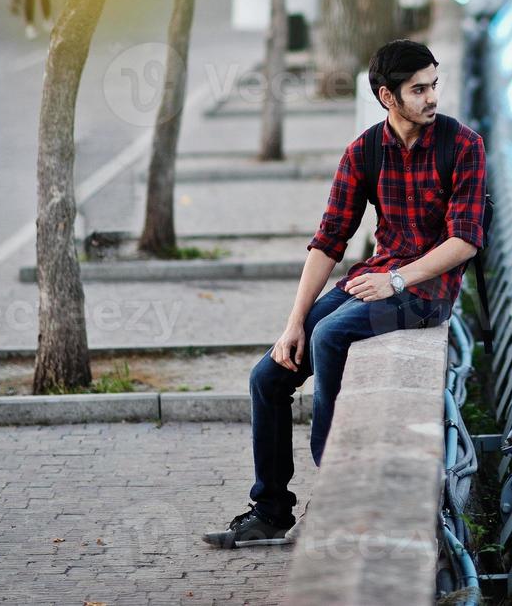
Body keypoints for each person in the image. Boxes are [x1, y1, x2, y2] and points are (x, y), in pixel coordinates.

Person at [203, 40, 488, 549]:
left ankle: (335, 482)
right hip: (374, 278)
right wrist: (293, 321)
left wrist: (398, 281)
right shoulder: (364, 151)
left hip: (426, 292)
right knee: (268, 376)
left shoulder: (462, 145)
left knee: (332, 335)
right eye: (418, 89)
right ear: (387, 97)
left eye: (433, 85)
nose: (431, 98)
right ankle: (270, 512)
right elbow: (329, 239)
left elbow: (464, 241)